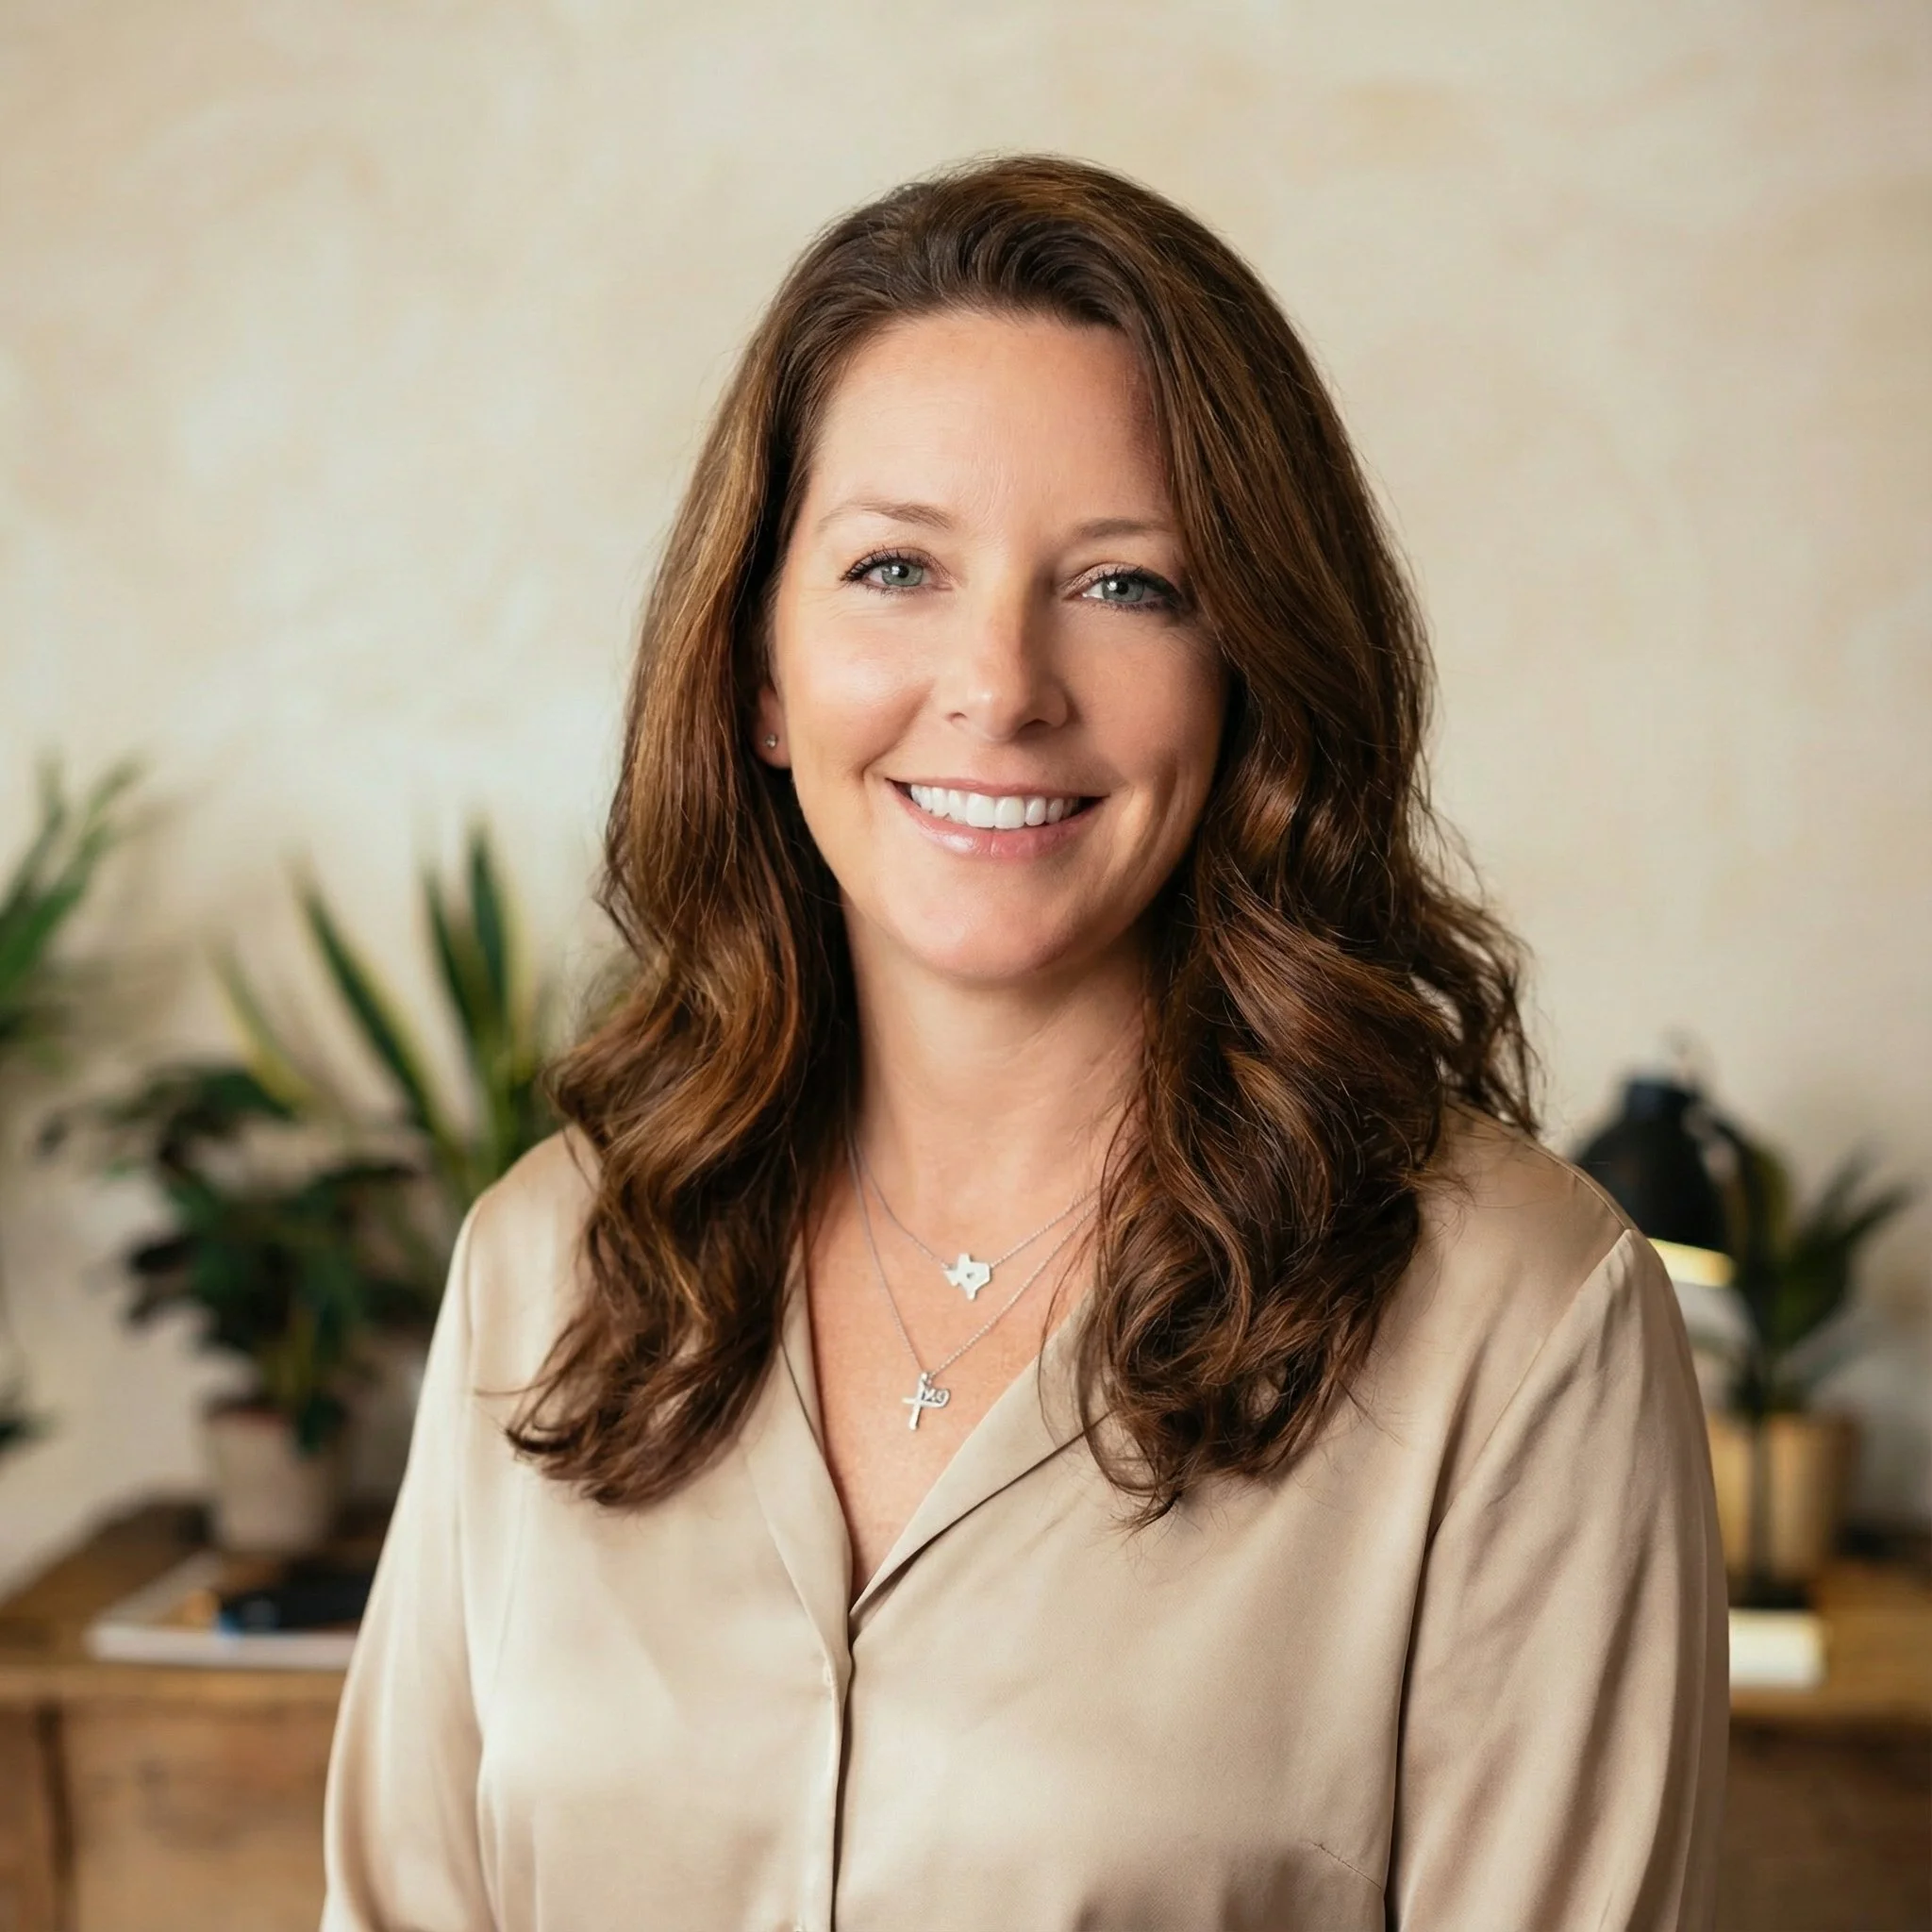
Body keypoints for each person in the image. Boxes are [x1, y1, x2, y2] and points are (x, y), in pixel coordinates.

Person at [321, 155, 1726, 1931]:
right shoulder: (549, 1262)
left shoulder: (1519, 1325)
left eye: (1128, 586)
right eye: (895, 566)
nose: (1000, 684)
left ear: (1252, 671)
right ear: (759, 668)